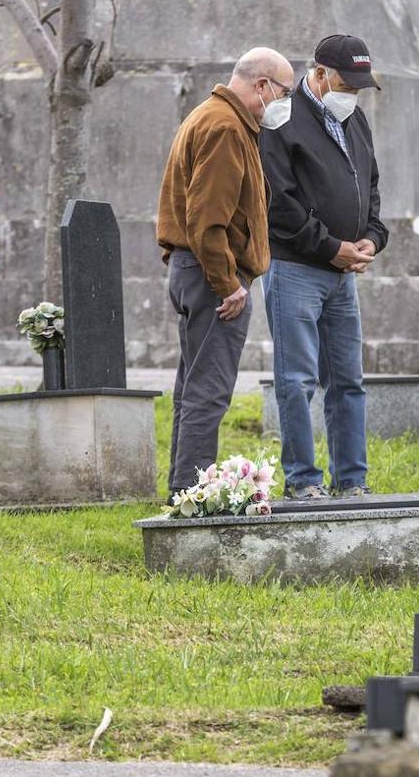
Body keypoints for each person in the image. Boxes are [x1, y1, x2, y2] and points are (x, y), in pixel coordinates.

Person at [156, 47, 295, 496]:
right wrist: (227, 283)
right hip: (212, 275)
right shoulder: (225, 127)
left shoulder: (216, 118)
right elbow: (206, 218)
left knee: (193, 389)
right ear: (262, 86)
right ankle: (192, 499)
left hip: (196, 269)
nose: (284, 103)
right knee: (209, 393)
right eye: (284, 92)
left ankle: (183, 491)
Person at [261, 34, 388, 499]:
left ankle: (352, 480)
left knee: (349, 381)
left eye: (358, 87)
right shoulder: (281, 118)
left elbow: (370, 187)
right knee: (297, 381)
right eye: (344, 84)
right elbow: (279, 202)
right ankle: (303, 481)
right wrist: (330, 246)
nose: (351, 95)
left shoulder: (356, 122)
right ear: (317, 75)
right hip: (295, 267)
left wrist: (372, 239)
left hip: (343, 273)